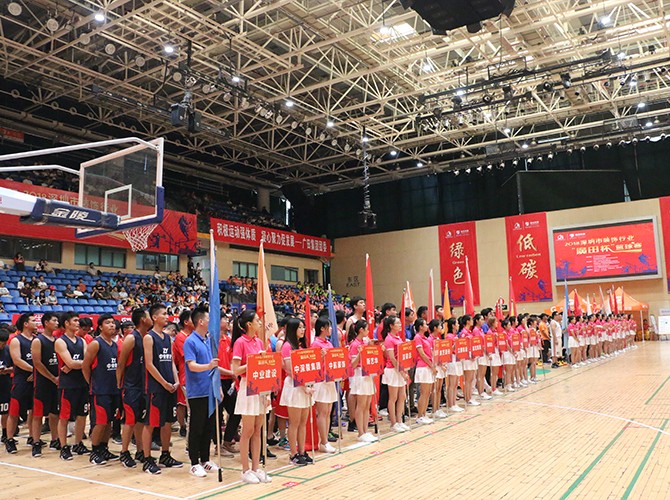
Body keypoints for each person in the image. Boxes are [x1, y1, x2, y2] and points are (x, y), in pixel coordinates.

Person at [231, 309, 272, 484]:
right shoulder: (240, 342)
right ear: (249, 324)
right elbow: (235, 370)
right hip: (247, 388)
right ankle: (245, 470)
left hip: (261, 388)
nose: (260, 323)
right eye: (257, 320)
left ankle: (256, 468)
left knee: (258, 430)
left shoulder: (259, 342)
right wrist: (253, 361)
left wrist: (267, 392)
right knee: (247, 431)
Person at [141, 303, 183, 474]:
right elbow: (149, 365)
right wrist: (164, 383)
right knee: (151, 423)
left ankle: (165, 455)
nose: (167, 316)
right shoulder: (149, 337)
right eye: (164, 314)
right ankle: (147, 459)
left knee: (168, 422)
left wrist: (176, 380)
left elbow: (171, 361)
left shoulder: (167, 338)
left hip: (170, 387)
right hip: (156, 388)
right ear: (154, 317)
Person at [183, 308, 220, 478]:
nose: (211, 322)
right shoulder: (190, 341)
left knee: (208, 427)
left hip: (210, 390)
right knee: (196, 427)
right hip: (197, 391)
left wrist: (218, 387)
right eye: (208, 319)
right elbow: (191, 365)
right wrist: (208, 366)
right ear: (201, 322)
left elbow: (215, 367)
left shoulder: (208, 340)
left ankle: (205, 459)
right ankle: (194, 463)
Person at [82, 314, 121, 466]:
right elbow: (85, 366)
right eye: (107, 323)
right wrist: (91, 383)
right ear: (100, 327)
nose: (111, 325)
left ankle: (104, 448)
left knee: (109, 421)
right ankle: (95, 451)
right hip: (100, 390)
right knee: (100, 422)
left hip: (113, 389)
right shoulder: (95, 344)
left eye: (112, 322)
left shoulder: (114, 345)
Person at [116, 307, 152, 468]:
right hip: (131, 386)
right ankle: (124, 452)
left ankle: (140, 451)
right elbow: (121, 363)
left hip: (144, 386)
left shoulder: (148, 338)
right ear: (143, 319)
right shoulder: (132, 338)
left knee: (140, 420)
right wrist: (119, 384)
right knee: (130, 420)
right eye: (149, 316)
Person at [55, 312, 89, 460]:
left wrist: (76, 364)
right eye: (75, 320)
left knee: (82, 415)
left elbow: (89, 360)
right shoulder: (60, 342)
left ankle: (78, 443)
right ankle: (64, 447)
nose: (78, 323)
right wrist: (76, 364)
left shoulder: (82, 341)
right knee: (64, 417)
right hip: (67, 385)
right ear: (66, 323)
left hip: (82, 383)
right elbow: (70, 362)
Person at [279, 317, 312, 466]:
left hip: (304, 386)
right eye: (300, 327)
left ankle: (302, 451)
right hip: (294, 386)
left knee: (303, 422)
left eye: (303, 327)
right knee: (294, 423)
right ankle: (293, 454)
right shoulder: (287, 346)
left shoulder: (300, 345)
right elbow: (289, 369)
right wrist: (304, 385)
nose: (303, 330)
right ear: (293, 329)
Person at [5, 313, 36, 454]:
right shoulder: (16, 340)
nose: (36, 322)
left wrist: (36, 373)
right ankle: (9, 439)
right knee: (14, 412)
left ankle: (32, 437)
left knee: (34, 411)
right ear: (25, 324)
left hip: (34, 379)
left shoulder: (36, 340)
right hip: (21, 380)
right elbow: (17, 360)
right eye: (33, 320)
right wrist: (34, 370)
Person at [31, 313, 61, 457]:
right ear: (46, 323)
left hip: (56, 381)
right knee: (38, 414)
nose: (57, 323)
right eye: (54, 320)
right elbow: (37, 363)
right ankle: (36, 443)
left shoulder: (58, 341)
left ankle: (55, 440)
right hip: (43, 382)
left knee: (54, 413)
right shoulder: (38, 341)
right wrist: (52, 377)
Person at [347, 319, 377, 442]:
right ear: (361, 330)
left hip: (367, 373)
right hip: (359, 375)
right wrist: (360, 354)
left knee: (366, 405)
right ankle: (360, 432)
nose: (368, 331)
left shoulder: (364, 342)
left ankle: (365, 430)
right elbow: (352, 365)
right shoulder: (355, 344)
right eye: (367, 329)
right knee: (361, 405)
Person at [312, 317, 338, 453]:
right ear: (322, 328)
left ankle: (325, 440)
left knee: (328, 412)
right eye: (329, 326)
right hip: (320, 381)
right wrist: (320, 357)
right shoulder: (315, 344)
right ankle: (323, 441)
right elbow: (313, 363)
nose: (331, 329)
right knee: (322, 412)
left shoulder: (329, 343)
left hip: (330, 379)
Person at [380, 315, 408, 433]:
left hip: (400, 369)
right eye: (397, 323)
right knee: (393, 398)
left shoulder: (398, 337)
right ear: (391, 326)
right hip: (392, 370)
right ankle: (393, 423)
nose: (400, 325)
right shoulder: (389, 339)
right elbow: (391, 358)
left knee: (402, 396)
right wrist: (401, 371)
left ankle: (399, 421)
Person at [216, 315, 239, 456]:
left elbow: (231, 361)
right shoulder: (211, 341)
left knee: (237, 411)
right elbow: (213, 365)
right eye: (225, 319)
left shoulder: (228, 340)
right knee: (217, 416)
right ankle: (218, 446)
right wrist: (231, 372)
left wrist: (233, 375)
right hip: (216, 381)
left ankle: (227, 440)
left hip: (229, 382)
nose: (228, 322)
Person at [172, 310, 192, 437]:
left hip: (194, 375)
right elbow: (188, 356)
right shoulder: (180, 337)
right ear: (185, 322)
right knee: (182, 404)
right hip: (185, 375)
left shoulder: (193, 336)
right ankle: (183, 426)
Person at [413, 318, 435, 425]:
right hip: (423, 367)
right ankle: (420, 416)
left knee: (428, 393)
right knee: (423, 392)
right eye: (425, 324)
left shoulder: (425, 338)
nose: (427, 326)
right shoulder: (417, 337)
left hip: (428, 366)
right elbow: (421, 354)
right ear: (420, 327)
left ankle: (424, 414)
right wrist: (431, 365)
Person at [0, 328, 13, 445]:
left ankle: (5, 434)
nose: (2, 345)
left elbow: (15, 366)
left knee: (5, 410)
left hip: (5, 384)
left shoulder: (8, 349)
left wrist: (8, 370)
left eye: (4, 343)